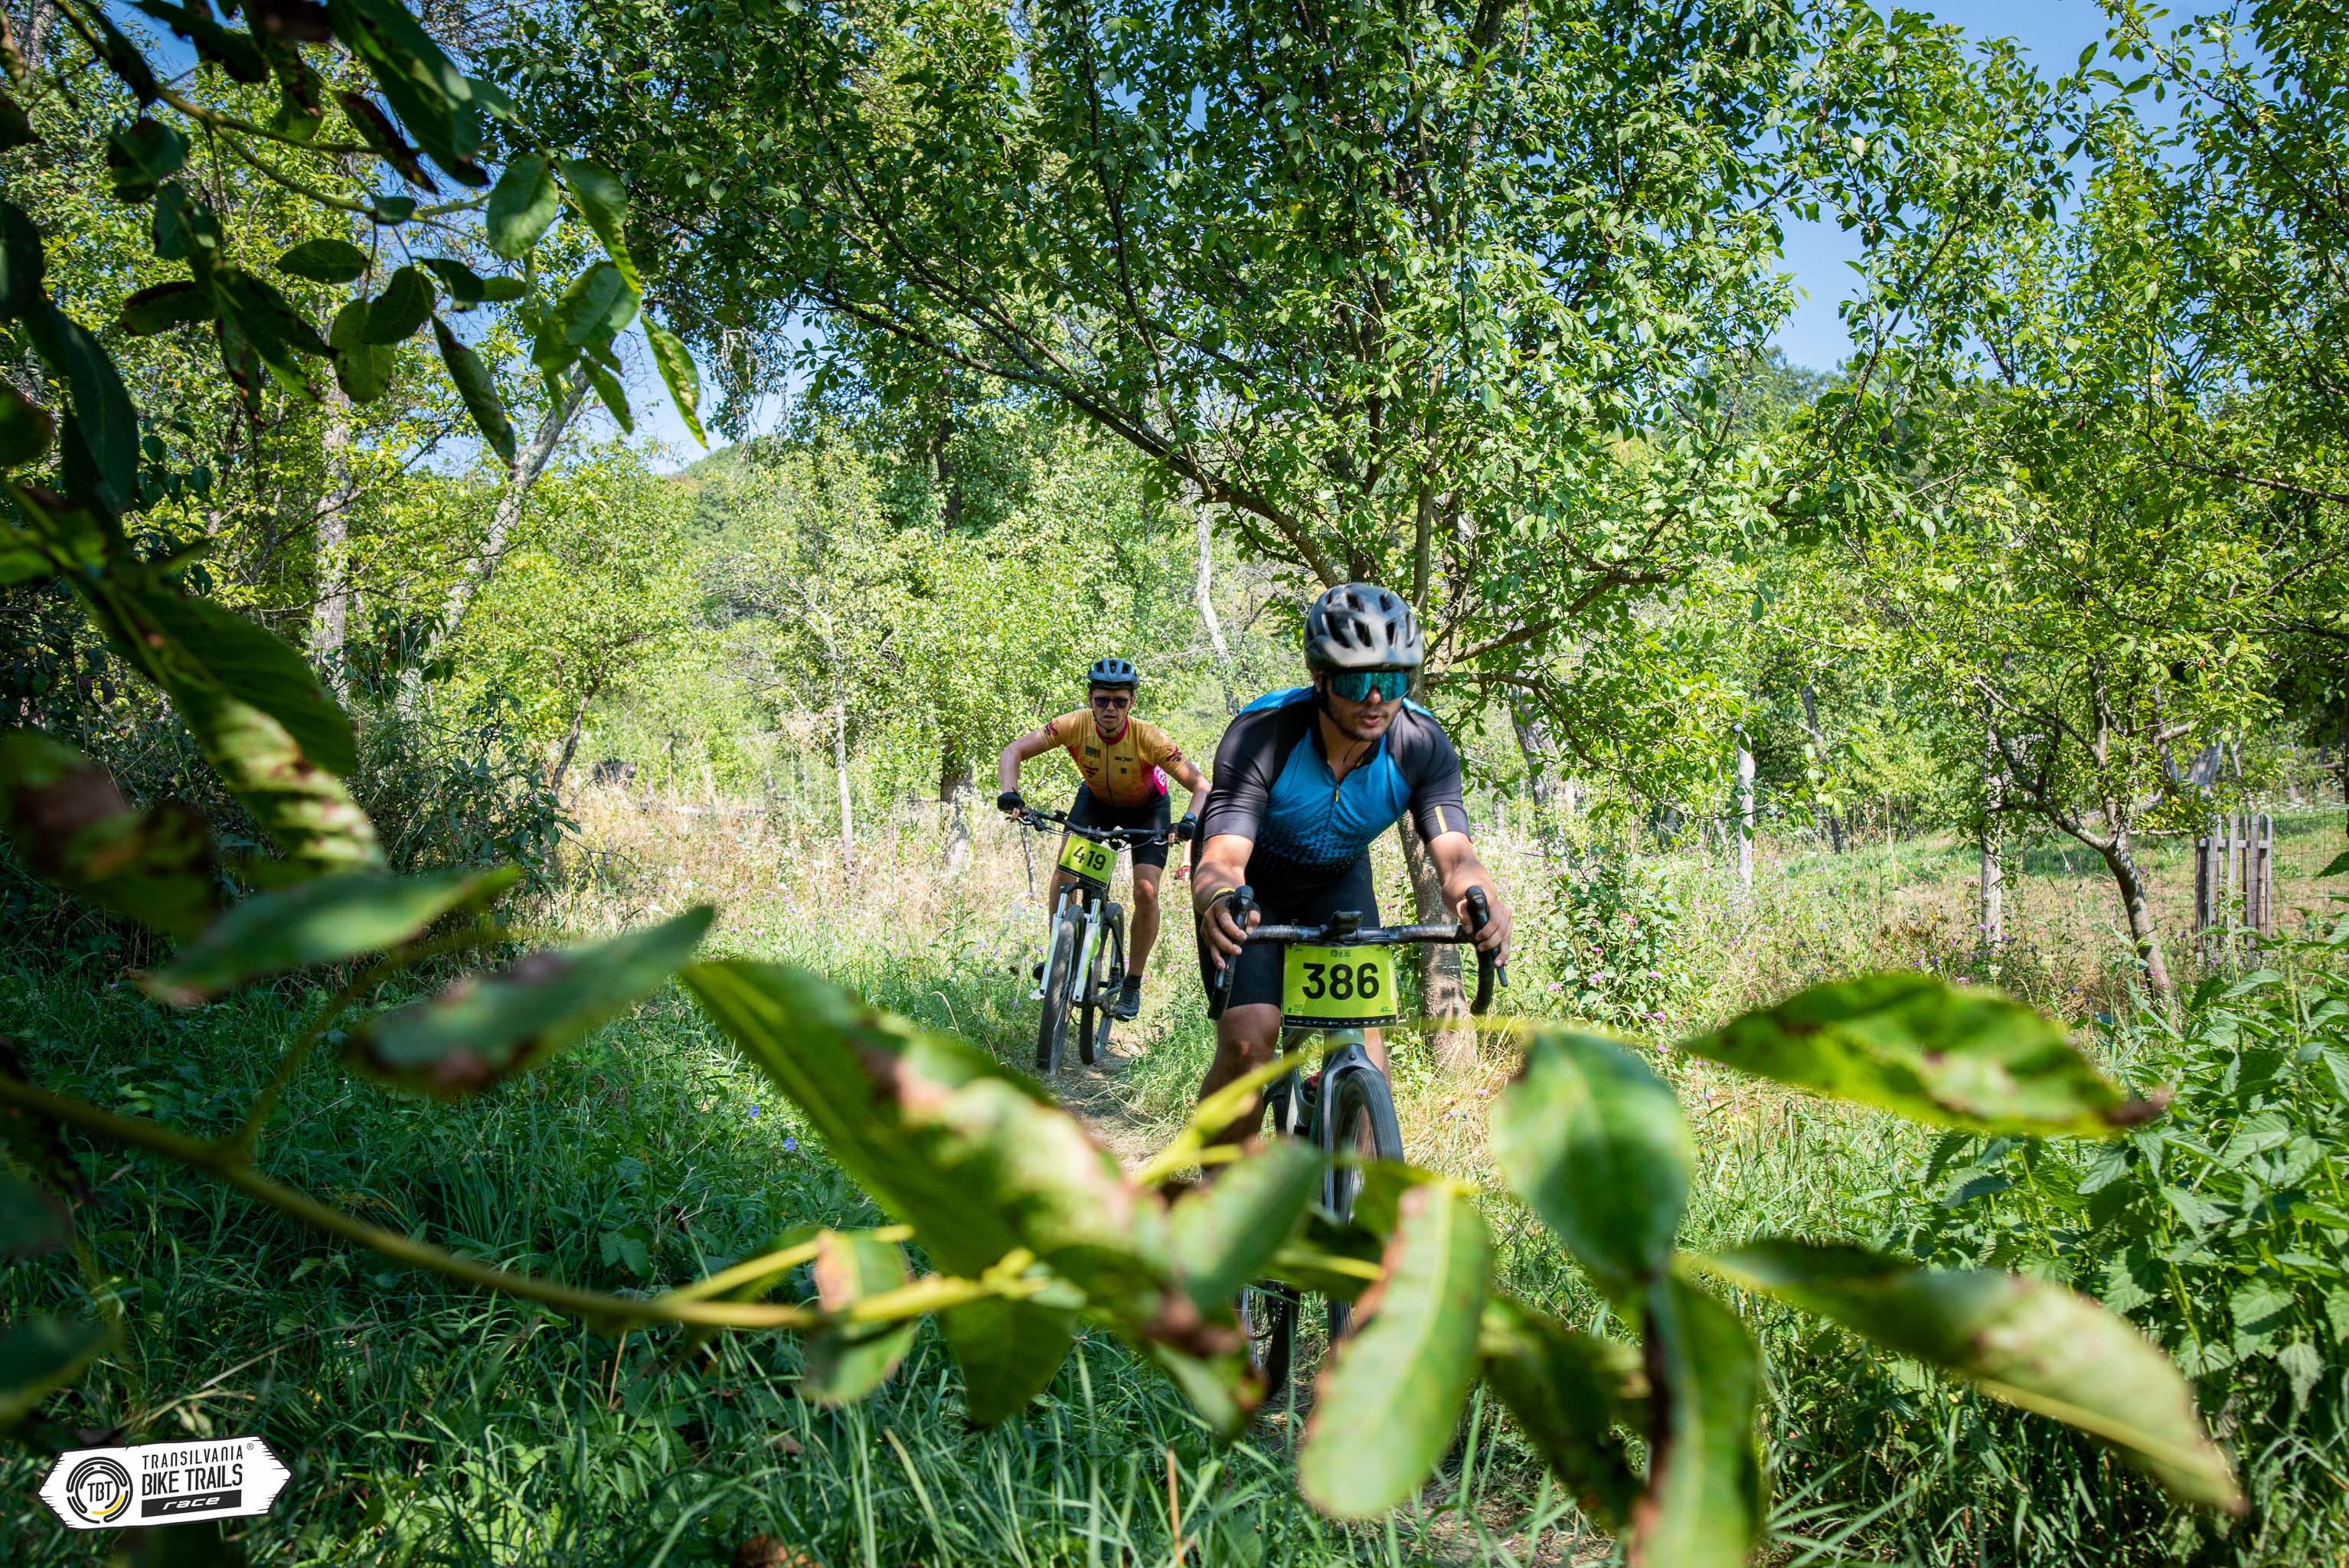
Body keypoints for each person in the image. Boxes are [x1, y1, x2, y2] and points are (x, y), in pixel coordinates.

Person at [1189, 583, 1511, 1129]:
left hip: (1337, 878)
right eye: (1358, 681)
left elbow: (1456, 858)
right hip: (1252, 886)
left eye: (1393, 680)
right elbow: (1222, 856)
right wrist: (1218, 898)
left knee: (1367, 1051)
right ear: (1319, 678)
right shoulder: (1263, 735)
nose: (1375, 699)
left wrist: (1483, 900)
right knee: (1250, 1042)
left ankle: (1358, 1172)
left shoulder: (1420, 744)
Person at [998, 657, 1210, 1020]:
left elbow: (1201, 786)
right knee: (1065, 872)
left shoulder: (1149, 737)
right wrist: (1010, 793)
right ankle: (1058, 954)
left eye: (1119, 701)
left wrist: (1189, 821)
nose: (1110, 708)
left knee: (1146, 891)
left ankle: (1132, 983)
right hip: (1095, 802)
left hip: (1148, 809)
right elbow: (1013, 751)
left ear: (1132, 703)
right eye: (1101, 700)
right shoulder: (1073, 725)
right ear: (1090, 700)